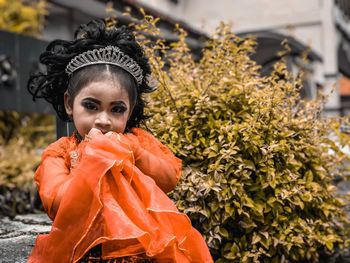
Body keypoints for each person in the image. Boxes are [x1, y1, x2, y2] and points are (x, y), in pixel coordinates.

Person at [27, 19, 213, 263]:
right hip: (84, 254)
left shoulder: (135, 142)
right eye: (91, 106)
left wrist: (135, 152)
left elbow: (169, 178)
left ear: (130, 110)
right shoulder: (60, 153)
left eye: (117, 110)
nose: (103, 120)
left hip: (144, 253)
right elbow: (57, 204)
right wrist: (93, 160)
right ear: (69, 103)